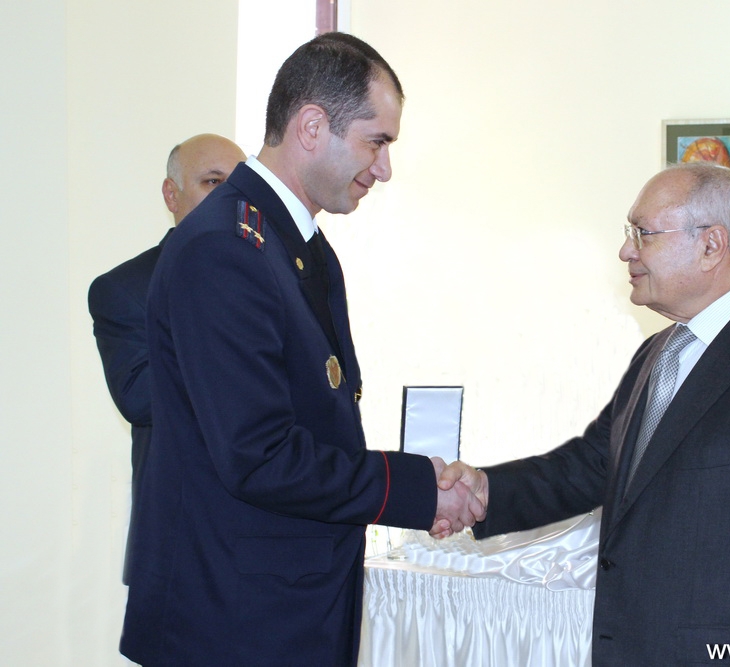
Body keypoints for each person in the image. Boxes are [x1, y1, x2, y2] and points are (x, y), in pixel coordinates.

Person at [119, 33, 483, 666]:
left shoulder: (292, 244)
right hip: (233, 624)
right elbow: (260, 455)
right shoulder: (226, 248)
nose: (384, 169)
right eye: (376, 141)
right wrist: (420, 489)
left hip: (282, 608)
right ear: (312, 127)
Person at [441, 162, 730, 665]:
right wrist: (486, 491)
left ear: (711, 246)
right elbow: (595, 465)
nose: (626, 251)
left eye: (642, 233)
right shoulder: (661, 351)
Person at [88, 133, 246, 584]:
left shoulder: (279, 280)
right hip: (182, 545)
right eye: (212, 181)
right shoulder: (126, 288)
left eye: (239, 185)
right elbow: (140, 397)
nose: (230, 196)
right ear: (171, 195)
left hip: (274, 544)